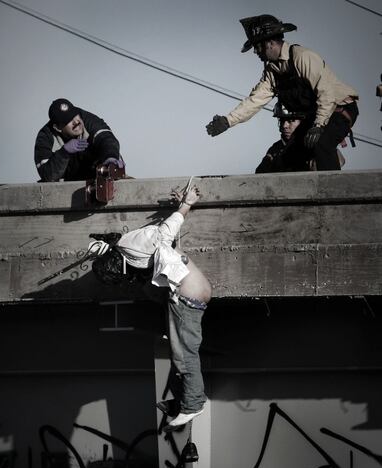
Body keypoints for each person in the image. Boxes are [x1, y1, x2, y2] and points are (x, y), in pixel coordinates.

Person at [88, 181, 211, 430]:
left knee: (184, 355)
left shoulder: (133, 245)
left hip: (188, 296)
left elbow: (164, 231)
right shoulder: (127, 249)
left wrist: (185, 205)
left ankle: (194, 404)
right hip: (183, 294)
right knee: (174, 350)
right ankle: (181, 402)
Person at [206, 15, 359, 171]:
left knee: (321, 144)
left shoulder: (303, 57)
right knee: (287, 157)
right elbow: (255, 101)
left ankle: (334, 191)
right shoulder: (272, 72)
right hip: (317, 117)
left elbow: (326, 93)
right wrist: (227, 121)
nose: (256, 52)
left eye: (258, 47)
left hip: (339, 109)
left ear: (271, 43)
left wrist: (319, 125)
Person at [34, 98, 123, 182]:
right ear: (58, 128)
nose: (76, 122)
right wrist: (64, 153)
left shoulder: (88, 119)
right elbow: (47, 175)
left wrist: (111, 157)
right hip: (68, 185)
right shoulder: (45, 136)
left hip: (98, 177)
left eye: (74, 114)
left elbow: (107, 139)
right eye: (67, 120)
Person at [255, 103, 310, 173]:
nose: (284, 126)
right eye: (282, 121)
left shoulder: (312, 147)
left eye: (290, 121)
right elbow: (260, 174)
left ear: (302, 123)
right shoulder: (276, 148)